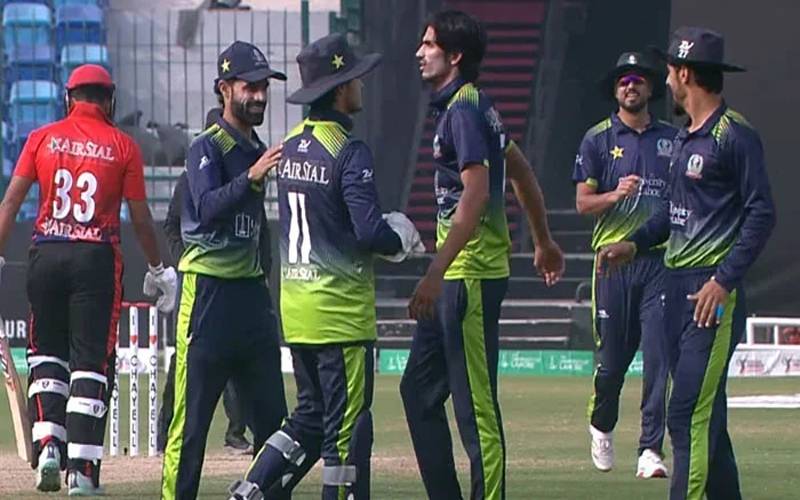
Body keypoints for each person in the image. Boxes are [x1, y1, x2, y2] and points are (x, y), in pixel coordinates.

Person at [228, 33, 421, 500]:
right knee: (347, 431)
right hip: (341, 317)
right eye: (355, 78)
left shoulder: (290, 145)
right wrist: (401, 239)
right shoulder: (348, 150)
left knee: (309, 418)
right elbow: (368, 231)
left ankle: (250, 491)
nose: (361, 85)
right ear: (340, 89)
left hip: (298, 311)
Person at [598, 27, 776, 500]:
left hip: (709, 295)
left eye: (670, 72)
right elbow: (672, 214)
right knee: (706, 417)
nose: (666, 82)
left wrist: (724, 280)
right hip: (674, 287)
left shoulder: (733, 135)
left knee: (685, 415)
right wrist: (633, 243)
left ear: (684, 74)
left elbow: (762, 213)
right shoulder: (683, 139)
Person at [400, 10, 564, 500]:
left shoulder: (465, 111)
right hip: (458, 276)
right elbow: (522, 173)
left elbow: (475, 194)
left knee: (476, 411)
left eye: (429, 44)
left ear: (455, 56)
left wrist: (435, 271)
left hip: (467, 276)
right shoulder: (471, 105)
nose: (419, 52)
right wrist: (543, 241)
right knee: (417, 392)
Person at [0, 64, 177, 495]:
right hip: (96, 259)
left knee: (46, 354)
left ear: (69, 98)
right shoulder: (123, 146)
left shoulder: (41, 138)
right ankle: (81, 471)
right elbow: (140, 218)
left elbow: (11, 202)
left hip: (46, 252)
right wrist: (158, 268)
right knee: (90, 362)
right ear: (109, 100)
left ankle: (48, 445)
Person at [160, 41, 288, 500]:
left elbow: (256, 227)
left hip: (250, 299)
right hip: (207, 299)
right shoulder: (206, 147)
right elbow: (208, 207)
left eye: (263, 87)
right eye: (249, 87)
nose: (259, 96)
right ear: (224, 88)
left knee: (275, 425)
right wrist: (251, 177)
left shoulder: (256, 148)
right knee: (191, 426)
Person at [573, 51, 675, 477]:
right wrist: (615, 194)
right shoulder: (597, 139)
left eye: (638, 80)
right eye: (623, 81)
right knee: (612, 364)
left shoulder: (672, 139)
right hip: (612, 266)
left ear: (650, 88)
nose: (630, 86)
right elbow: (582, 204)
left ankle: (650, 449)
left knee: (658, 358)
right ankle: (601, 425)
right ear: (615, 90)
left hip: (660, 262)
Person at [157, 107, 260, 455]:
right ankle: (165, 434)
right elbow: (171, 225)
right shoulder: (191, 178)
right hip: (199, 284)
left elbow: (258, 230)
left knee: (239, 363)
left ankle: (237, 433)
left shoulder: (245, 176)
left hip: (240, 280)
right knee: (184, 364)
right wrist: (185, 260)